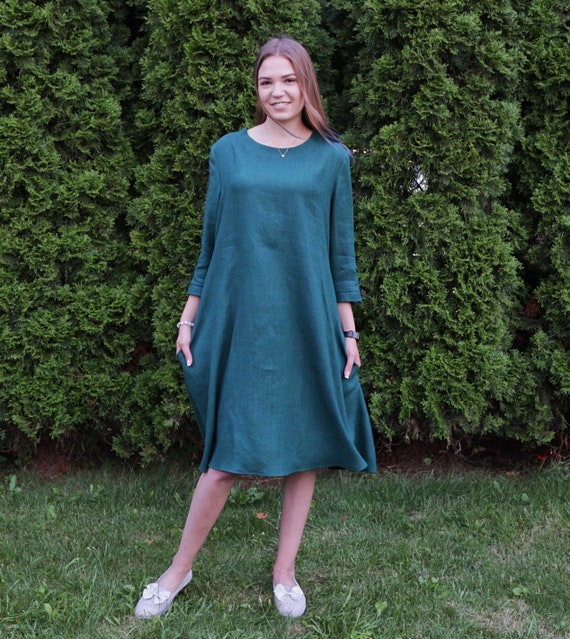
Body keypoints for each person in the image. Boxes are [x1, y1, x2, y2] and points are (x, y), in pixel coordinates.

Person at [134, 35, 377, 620]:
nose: (278, 91)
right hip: (241, 318)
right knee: (225, 456)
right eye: (267, 81)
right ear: (257, 88)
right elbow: (211, 244)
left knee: (303, 448)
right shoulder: (229, 152)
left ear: (306, 84)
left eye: (288, 80)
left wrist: (348, 333)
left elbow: (340, 254)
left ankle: (285, 573)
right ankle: (177, 571)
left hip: (307, 318)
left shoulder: (331, 159)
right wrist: (188, 315)